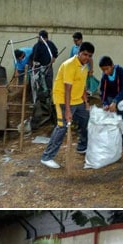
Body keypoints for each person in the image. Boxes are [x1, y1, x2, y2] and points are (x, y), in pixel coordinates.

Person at [40, 41, 96, 169]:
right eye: (85, 54)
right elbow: (67, 89)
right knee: (62, 127)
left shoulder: (84, 67)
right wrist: (68, 111)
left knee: (85, 120)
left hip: (78, 100)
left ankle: (82, 147)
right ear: (79, 52)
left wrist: (86, 103)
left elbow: (83, 86)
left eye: (90, 56)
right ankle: (47, 157)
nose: (87, 58)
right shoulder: (70, 65)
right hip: (63, 100)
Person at [99, 56, 123, 148]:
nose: (106, 72)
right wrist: (105, 103)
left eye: (107, 69)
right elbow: (103, 91)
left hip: (122, 98)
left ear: (112, 66)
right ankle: (112, 142)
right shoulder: (104, 76)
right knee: (112, 120)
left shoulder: (122, 72)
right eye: (103, 70)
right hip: (111, 98)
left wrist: (115, 102)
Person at [29, 30, 59, 95]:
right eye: (39, 38)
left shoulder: (50, 44)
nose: (40, 39)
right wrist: (34, 64)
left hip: (48, 67)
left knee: (48, 83)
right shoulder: (37, 45)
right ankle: (37, 100)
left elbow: (55, 52)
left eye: (41, 38)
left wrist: (54, 58)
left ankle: (49, 98)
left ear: (45, 38)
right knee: (38, 84)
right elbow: (33, 57)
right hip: (38, 68)